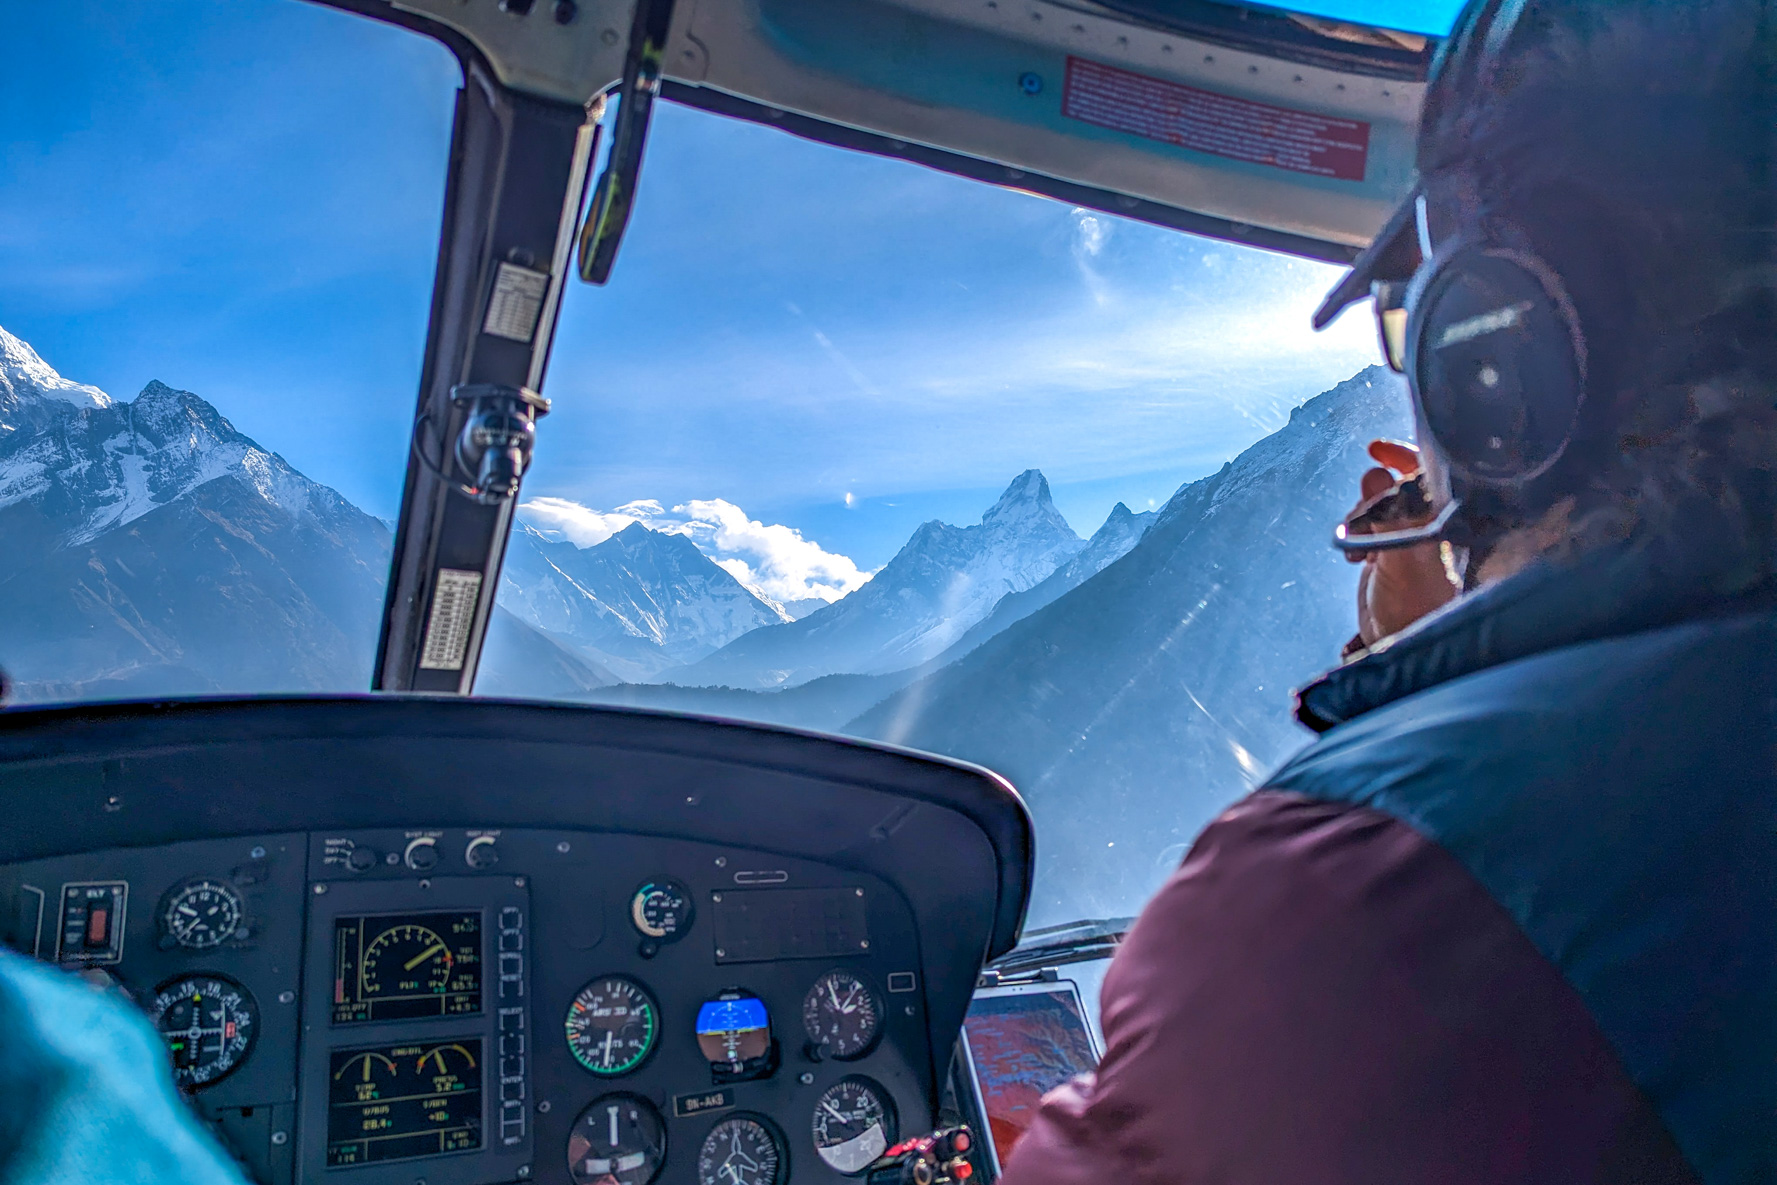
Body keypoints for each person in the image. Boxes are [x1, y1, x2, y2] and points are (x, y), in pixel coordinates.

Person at [997, 1, 1777, 1182]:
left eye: (1410, 321)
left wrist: (1416, 731)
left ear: (1493, 359)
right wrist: (1463, 667)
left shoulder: (1345, 903)